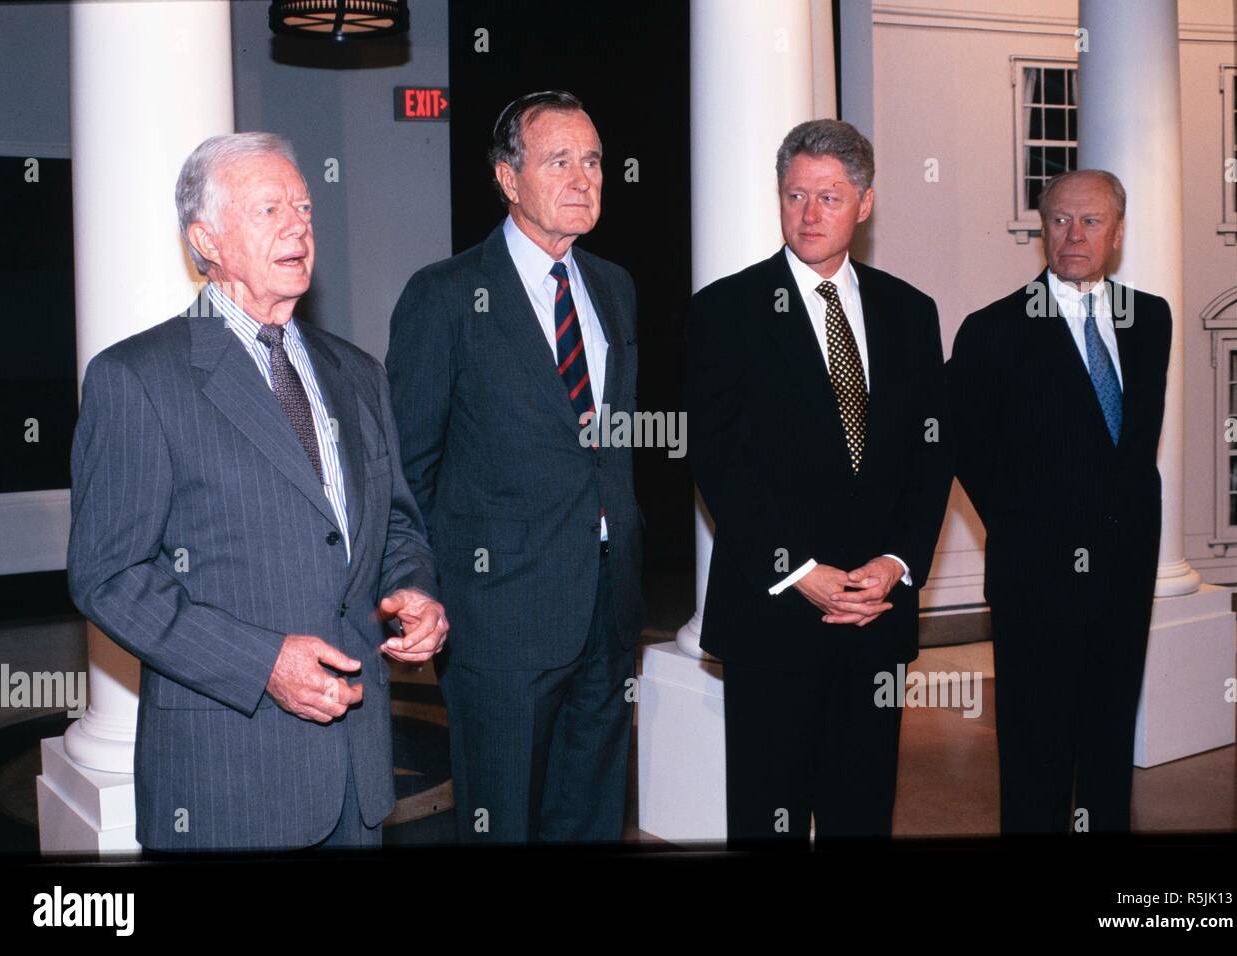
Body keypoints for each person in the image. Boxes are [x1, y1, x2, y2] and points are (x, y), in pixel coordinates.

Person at [67, 132, 448, 851]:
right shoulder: (139, 379)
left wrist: (415, 589)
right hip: (228, 779)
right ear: (206, 240)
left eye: (303, 207)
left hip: (358, 775)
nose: (299, 226)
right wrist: (263, 662)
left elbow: (394, 524)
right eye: (269, 209)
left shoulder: (357, 371)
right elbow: (109, 576)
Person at [385, 91, 644, 844]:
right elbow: (408, 466)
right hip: (496, 616)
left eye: (592, 160)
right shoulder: (442, 296)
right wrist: (423, 591)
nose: (583, 177)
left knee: (591, 814)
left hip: (609, 598)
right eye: (558, 160)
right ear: (508, 178)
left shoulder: (614, 287)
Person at [685, 119, 951, 848]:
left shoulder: (910, 312)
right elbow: (717, 460)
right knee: (767, 817)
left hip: (876, 616)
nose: (808, 215)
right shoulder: (725, 310)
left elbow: (931, 458)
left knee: (862, 815)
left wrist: (897, 565)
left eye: (828, 198)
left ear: (863, 204)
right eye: (795, 195)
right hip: (775, 618)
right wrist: (798, 569)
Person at [947, 168, 1171, 834]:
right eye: (1059, 220)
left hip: (1126, 575)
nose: (1073, 234)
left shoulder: (1149, 319)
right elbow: (965, 449)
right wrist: (1025, 528)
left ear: (1119, 232)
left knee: (1108, 747)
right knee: (1035, 757)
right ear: (1043, 229)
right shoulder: (992, 331)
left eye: (1091, 221)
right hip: (1035, 580)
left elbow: (1131, 452)